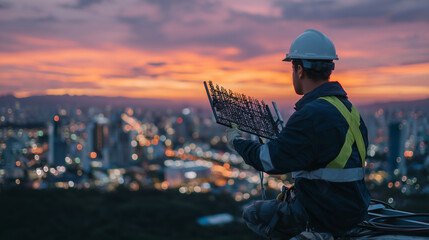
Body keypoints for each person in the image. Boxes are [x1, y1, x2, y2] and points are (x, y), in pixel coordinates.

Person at [226, 29, 371, 239]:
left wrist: (237, 142)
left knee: (253, 214)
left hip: (322, 215)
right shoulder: (348, 110)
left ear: (300, 69)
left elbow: (269, 161)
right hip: (353, 211)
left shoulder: (310, 114)